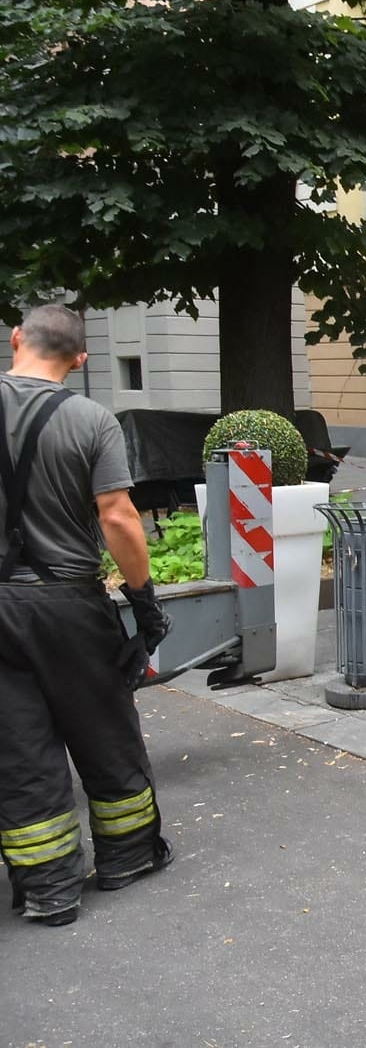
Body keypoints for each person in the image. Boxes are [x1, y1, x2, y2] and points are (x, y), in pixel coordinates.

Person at [1, 304, 173, 927]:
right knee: (102, 725)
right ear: (80, 359)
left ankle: (49, 889)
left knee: (17, 745)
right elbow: (118, 515)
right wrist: (145, 602)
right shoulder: (88, 419)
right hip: (67, 601)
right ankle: (126, 858)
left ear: (17, 338)